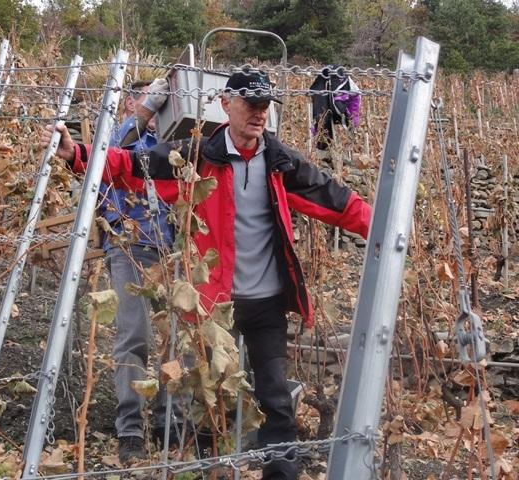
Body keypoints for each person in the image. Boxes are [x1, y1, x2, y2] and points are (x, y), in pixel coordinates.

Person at [44, 71, 372, 480]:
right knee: (207, 399)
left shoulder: (281, 162)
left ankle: (280, 474)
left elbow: (336, 199)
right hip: (216, 304)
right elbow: (132, 167)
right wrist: (78, 154)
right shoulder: (197, 156)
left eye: (265, 105)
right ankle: (209, 470)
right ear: (226, 104)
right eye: (251, 104)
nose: (259, 113)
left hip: (267, 302)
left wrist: (385, 228)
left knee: (275, 398)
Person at [42, 79, 177, 465]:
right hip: (131, 247)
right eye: (151, 103)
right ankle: (130, 429)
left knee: (176, 340)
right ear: (132, 104)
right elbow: (102, 156)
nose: (159, 111)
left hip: (175, 250)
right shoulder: (123, 139)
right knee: (134, 336)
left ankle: (168, 421)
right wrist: (146, 111)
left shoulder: (176, 143)